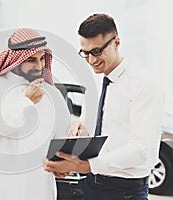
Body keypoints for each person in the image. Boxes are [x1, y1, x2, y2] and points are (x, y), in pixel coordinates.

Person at [44, 13, 164, 200]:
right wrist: (73, 144)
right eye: (85, 53)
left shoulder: (144, 84)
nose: (91, 60)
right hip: (89, 186)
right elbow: (92, 133)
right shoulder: (96, 85)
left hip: (125, 191)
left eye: (97, 52)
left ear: (116, 43)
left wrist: (86, 166)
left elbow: (142, 150)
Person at [0, 28, 73, 200]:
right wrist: (26, 102)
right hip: (2, 186)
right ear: (15, 60)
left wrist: (63, 165)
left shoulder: (52, 93)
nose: (40, 65)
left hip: (40, 187)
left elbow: (63, 138)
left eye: (42, 58)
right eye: (31, 59)